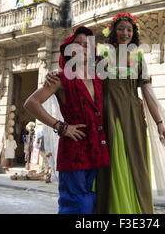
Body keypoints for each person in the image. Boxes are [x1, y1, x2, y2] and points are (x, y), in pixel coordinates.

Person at [46, 13, 165, 214]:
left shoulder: (139, 59)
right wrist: (56, 72)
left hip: (132, 117)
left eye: (129, 30)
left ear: (134, 34)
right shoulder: (100, 55)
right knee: (110, 167)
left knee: (135, 166)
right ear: (113, 31)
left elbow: (147, 91)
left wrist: (159, 123)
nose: (125, 33)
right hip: (107, 115)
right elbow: (79, 66)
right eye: (121, 28)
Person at [24, 26, 110, 214]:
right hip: (74, 150)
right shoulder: (61, 78)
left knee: (92, 201)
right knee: (76, 204)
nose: (82, 48)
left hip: (97, 149)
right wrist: (60, 126)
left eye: (86, 45)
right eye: (77, 44)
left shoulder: (99, 79)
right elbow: (31, 103)